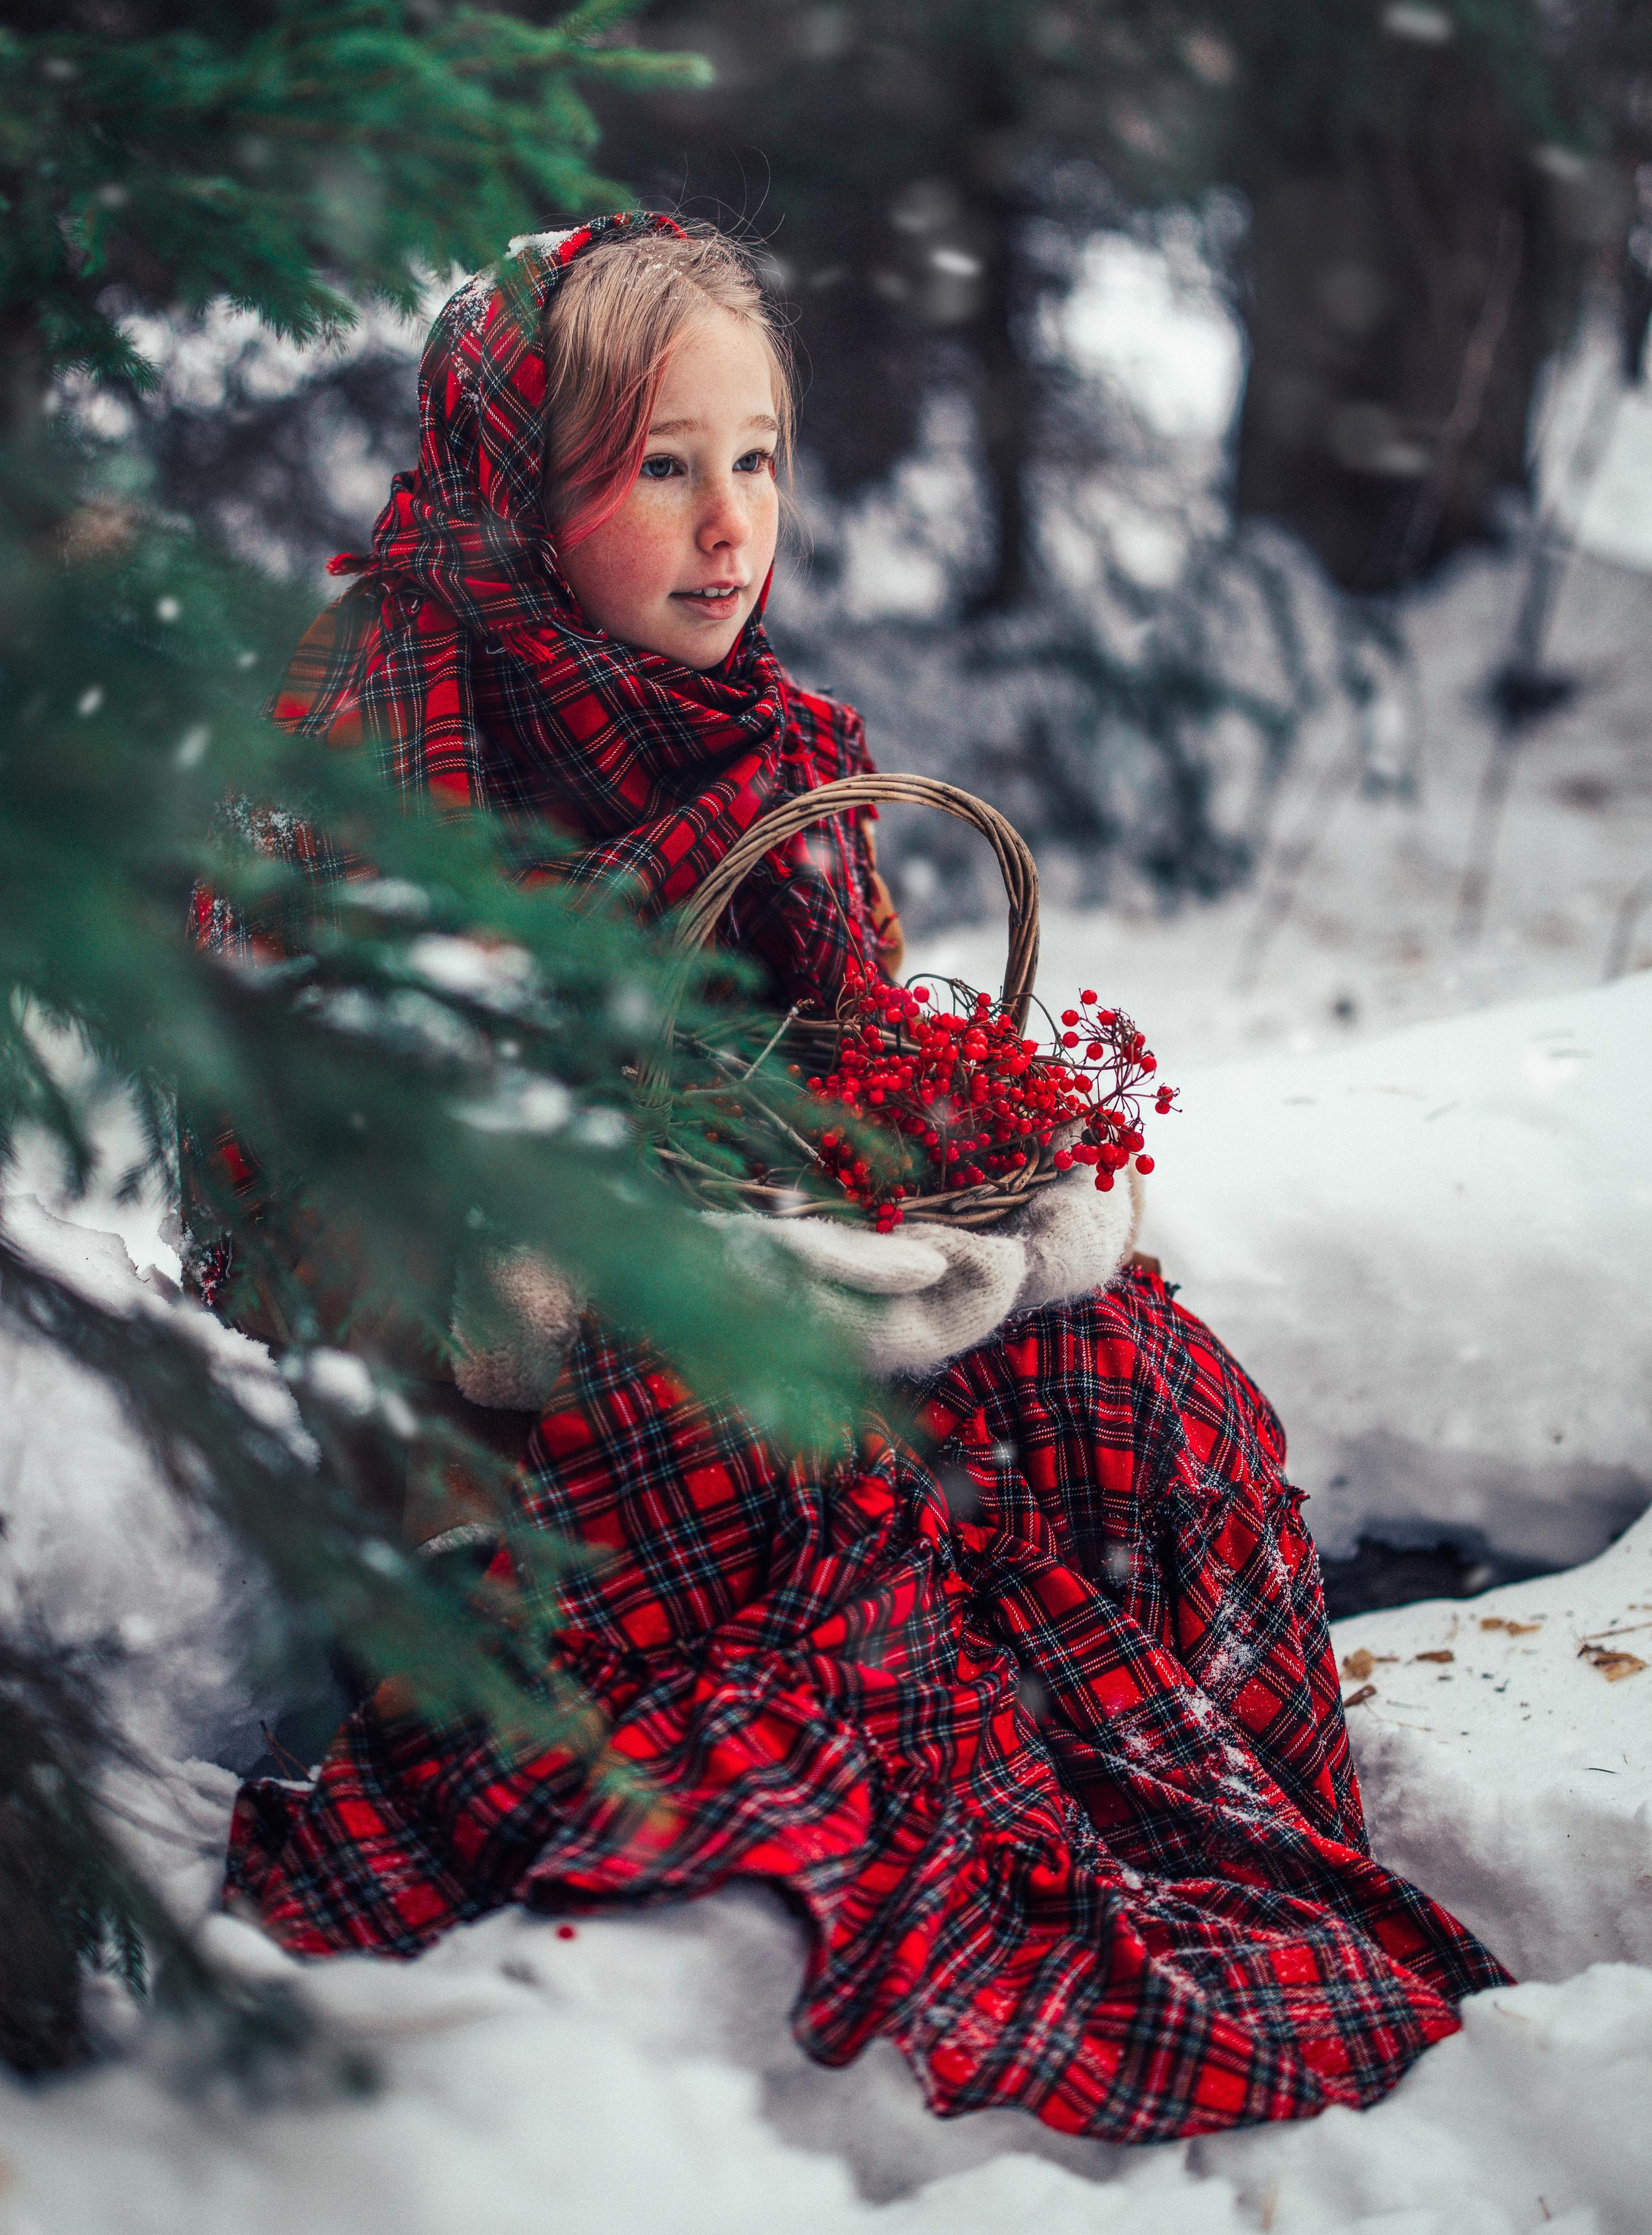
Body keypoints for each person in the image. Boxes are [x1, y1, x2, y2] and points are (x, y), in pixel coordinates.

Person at [216, 211, 1508, 2141]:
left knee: (1125, 1376)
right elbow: (302, 1205)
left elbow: (844, 1077)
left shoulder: (776, 752)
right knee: (808, 1502)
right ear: (514, 489)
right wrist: (594, 1274)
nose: (732, 526)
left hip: (744, 1278)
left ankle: (1177, 1795)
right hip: (495, 1410)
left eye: (758, 459)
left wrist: (968, 1190)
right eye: (661, 468)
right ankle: (866, 1858)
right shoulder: (368, 756)